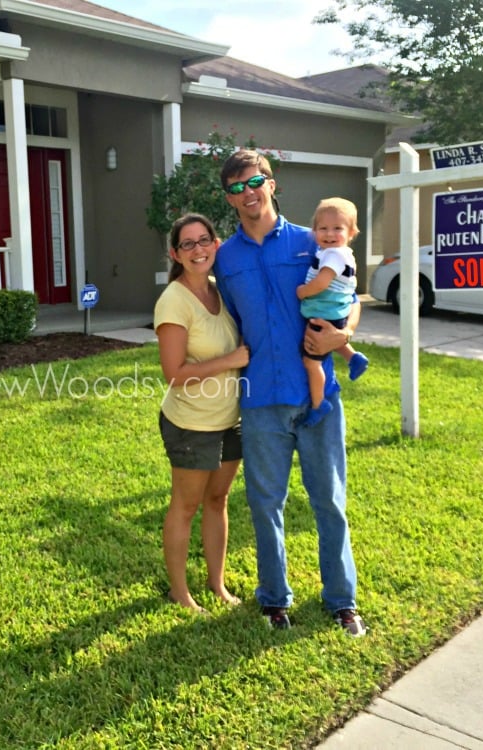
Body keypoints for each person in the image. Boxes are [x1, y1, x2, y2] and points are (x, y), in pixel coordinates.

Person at [213, 150, 367, 636]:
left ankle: (342, 601)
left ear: (271, 184)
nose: (248, 193)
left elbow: (350, 297)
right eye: (237, 187)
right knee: (265, 503)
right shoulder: (225, 258)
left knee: (329, 501)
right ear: (229, 197)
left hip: (317, 397)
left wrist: (342, 338)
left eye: (255, 181)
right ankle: (274, 599)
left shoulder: (316, 239)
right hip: (260, 399)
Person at [154, 213, 250, 613]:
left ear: (216, 243)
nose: (198, 249)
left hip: (229, 418)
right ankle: (180, 592)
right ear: (175, 253)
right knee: (186, 505)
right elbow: (174, 374)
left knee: (218, 500)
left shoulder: (219, 289)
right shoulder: (174, 300)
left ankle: (217, 584)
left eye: (204, 240)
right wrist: (231, 360)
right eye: (188, 244)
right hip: (191, 423)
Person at [295, 197, 369, 427]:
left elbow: (322, 282)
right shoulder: (340, 253)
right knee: (333, 336)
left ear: (352, 232)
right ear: (314, 230)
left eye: (337, 228)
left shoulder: (334, 255)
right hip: (335, 312)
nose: (329, 233)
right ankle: (353, 357)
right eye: (323, 228)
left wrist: (303, 291)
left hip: (324, 311)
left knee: (311, 363)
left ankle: (318, 404)